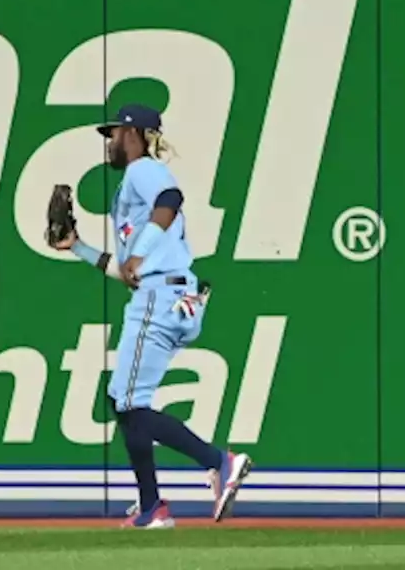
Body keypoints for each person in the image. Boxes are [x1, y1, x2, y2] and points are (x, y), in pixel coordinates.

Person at [49, 103, 252, 529]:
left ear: (137, 134)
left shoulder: (142, 169)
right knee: (125, 401)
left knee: (126, 401)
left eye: (116, 133)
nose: (111, 141)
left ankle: (218, 462)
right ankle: (151, 507)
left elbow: (171, 200)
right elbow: (128, 272)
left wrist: (140, 255)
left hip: (161, 298)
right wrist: (78, 247)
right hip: (167, 295)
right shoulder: (131, 190)